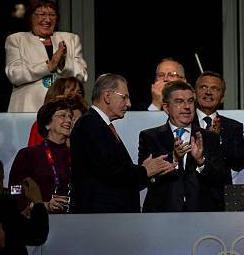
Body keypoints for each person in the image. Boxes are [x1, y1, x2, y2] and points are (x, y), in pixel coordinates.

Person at [70, 73, 175, 213]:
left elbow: (117, 172)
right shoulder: (90, 124)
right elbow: (110, 170)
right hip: (100, 216)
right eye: (124, 97)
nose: (129, 103)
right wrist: (144, 170)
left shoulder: (100, 125)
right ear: (107, 96)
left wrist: (149, 172)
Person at [139, 81, 226, 212]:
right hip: (162, 213)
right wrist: (173, 160)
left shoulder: (209, 137)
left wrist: (201, 161)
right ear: (166, 107)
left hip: (201, 213)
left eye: (190, 101)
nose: (187, 107)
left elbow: (219, 177)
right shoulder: (150, 137)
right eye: (179, 101)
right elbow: (144, 178)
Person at [5, 0, 88, 112]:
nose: (47, 20)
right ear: (30, 17)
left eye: (52, 15)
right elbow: (15, 75)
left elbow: (82, 75)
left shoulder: (70, 39)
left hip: (64, 110)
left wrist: (62, 64)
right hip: (28, 109)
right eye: (42, 14)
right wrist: (48, 66)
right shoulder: (17, 40)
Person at [9, 98, 76, 213]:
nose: (68, 120)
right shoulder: (28, 155)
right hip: (38, 220)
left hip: (71, 218)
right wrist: (40, 205)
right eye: (62, 116)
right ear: (47, 124)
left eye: (70, 117)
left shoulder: (76, 155)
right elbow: (14, 190)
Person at [193, 71, 244, 176]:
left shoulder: (233, 127)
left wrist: (218, 140)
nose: (208, 92)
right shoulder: (185, 123)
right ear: (194, 94)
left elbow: (239, 164)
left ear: (222, 98)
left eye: (215, 89)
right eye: (203, 87)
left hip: (219, 190)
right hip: (191, 189)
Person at [27, 77, 86, 146]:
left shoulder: (85, 118)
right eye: (71, 92)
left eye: (79, 92)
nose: (76, 95)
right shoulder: (41, 124)